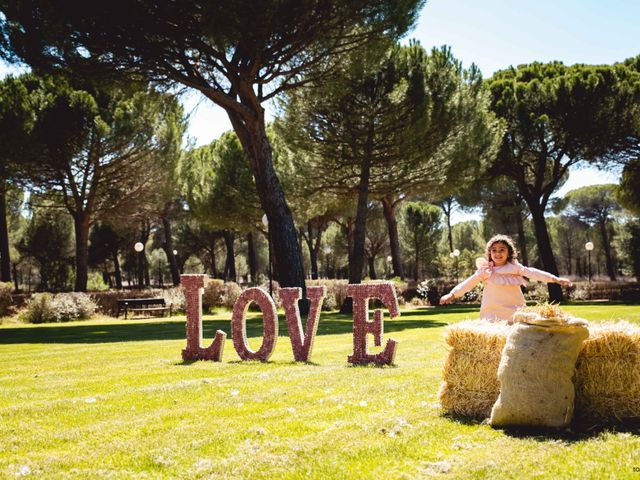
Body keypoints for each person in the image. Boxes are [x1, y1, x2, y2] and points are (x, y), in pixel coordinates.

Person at [439, 234, 572, 322]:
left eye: (502, 250)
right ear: (489, 253)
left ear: (509, 252)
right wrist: (452, 294)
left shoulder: (515, 268)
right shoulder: (485, 270)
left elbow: (534, 273)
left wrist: (555, 279)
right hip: (492, 312)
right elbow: (469, 283)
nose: (498, 253)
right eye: (494, 250)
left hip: (514, 311)